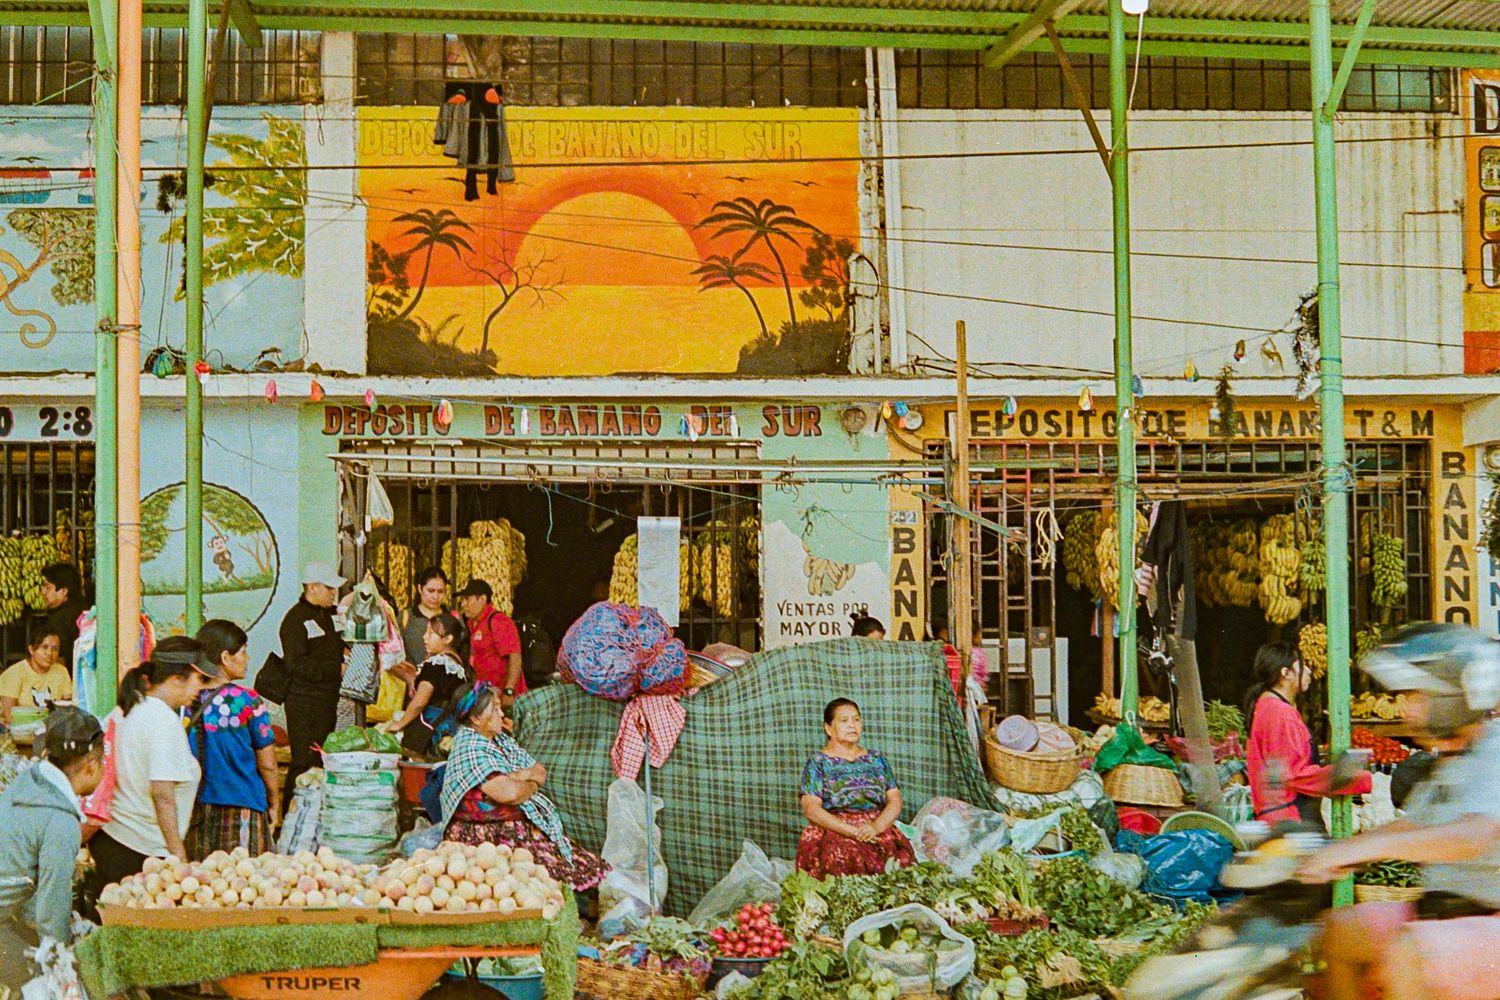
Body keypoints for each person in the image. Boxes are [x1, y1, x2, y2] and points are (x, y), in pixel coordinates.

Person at [1300, 624, 1500, 1000]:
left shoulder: (1495, 750)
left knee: (1406, 953)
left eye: (1416, 695)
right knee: (1340, 930)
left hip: (1492, 917)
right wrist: (1334, 851)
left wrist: (1364, 849)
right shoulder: (1449, 760)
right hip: (1444, 911)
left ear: (1452, 696)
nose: (1406, 708)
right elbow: (1410, 826)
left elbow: (1473, 835)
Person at [439, 682, 609, 891]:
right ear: (476, 718)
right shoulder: (469, 747)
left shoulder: (501, 741)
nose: (502, 714)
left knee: (580, 867)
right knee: (539, 881)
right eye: (495, 709)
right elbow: (510, 794)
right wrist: (529, 784)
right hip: (486, 838)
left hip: (518, 827)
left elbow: (540, 771)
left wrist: (523, 777)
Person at [93, 637, 217, 891]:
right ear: (177, 679)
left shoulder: (127, 708)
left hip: (112, 840)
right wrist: (178, 856)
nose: (201, 688)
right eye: (199, 679)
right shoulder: (163, 721)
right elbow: (162, 795)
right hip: (141, 852)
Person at [0, 706, 104, 993]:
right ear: (91, 765)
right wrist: (59, 963)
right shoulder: (61, 823)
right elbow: (51, 911)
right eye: (103, 761)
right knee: (38, 986)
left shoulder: (30, 781)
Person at [1244, 641, 1370, 826]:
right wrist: (1356, 778)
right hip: (1289, 820)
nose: (1309, 671)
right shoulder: (1280, 713)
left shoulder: (1265, 706)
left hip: (1276, 816)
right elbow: (1295, 774)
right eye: (1303, 665)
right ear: (1286, 673)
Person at [185, 620, 280, 860]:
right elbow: (268, 764)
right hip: (244, 805)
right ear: (226, 658)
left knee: (201, 878)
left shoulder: (185, 701)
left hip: (195, 809)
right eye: (243, 652)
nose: (247, 659)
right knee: (244, 878)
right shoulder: (248, 702)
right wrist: (274, 802)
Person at [796, 698, 916, 877]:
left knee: (897, 861)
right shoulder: (818, 763)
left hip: (876, 827)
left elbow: (895, 799)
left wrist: (875, 827)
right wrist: (853, 832)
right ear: (828, 728)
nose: (852, 725)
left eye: (856, 719)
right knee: (840, 855)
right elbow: (811, 809)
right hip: (835, 829)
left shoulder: (877, 759)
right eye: (844, 721)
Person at [278, 562, 347, 806]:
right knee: (304, 762)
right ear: (313, 587)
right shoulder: (295, 621)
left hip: (328, 700)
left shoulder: (333, 614)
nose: (333, 593)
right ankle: (291, 814)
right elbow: (296, 665)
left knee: (321, 760)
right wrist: (336, 669)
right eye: (329, 588)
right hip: (304, 703)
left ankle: (314, 815)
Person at [381, 612, 469, 755]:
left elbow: (420, 702)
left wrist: (399, 724)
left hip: (430, 734)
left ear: (448, 639)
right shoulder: (457, 664)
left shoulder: (436, 664)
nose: (424, 637)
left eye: (431, 633)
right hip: (448, 732)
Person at [457, 579, 524, 705]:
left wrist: (509, 691)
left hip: (503, 696)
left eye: (467, 599)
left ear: (482, 599)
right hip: (487, 695)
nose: (463, 604)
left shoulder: (498, 621)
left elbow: (515, 657)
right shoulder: (472, 623)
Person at [0, 628, 72, 725]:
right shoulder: (14, 673)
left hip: (51, 729)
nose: (49, 653)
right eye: (44, 647)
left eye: (55, 649)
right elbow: (8, 715)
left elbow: (68, 708)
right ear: (31, 650)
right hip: (18, 729)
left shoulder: (62, 672)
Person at [401, 567, 454, 671]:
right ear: (420, 588)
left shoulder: (452, 618)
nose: (435, 597)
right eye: (430, 591)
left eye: (440, 592)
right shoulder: (406, 617)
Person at [39, 563, 85, 674]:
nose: (43, 592)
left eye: (48, 587)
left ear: (64, 591)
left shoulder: (58, 620)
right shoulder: (86, 612)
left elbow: (57, 660)